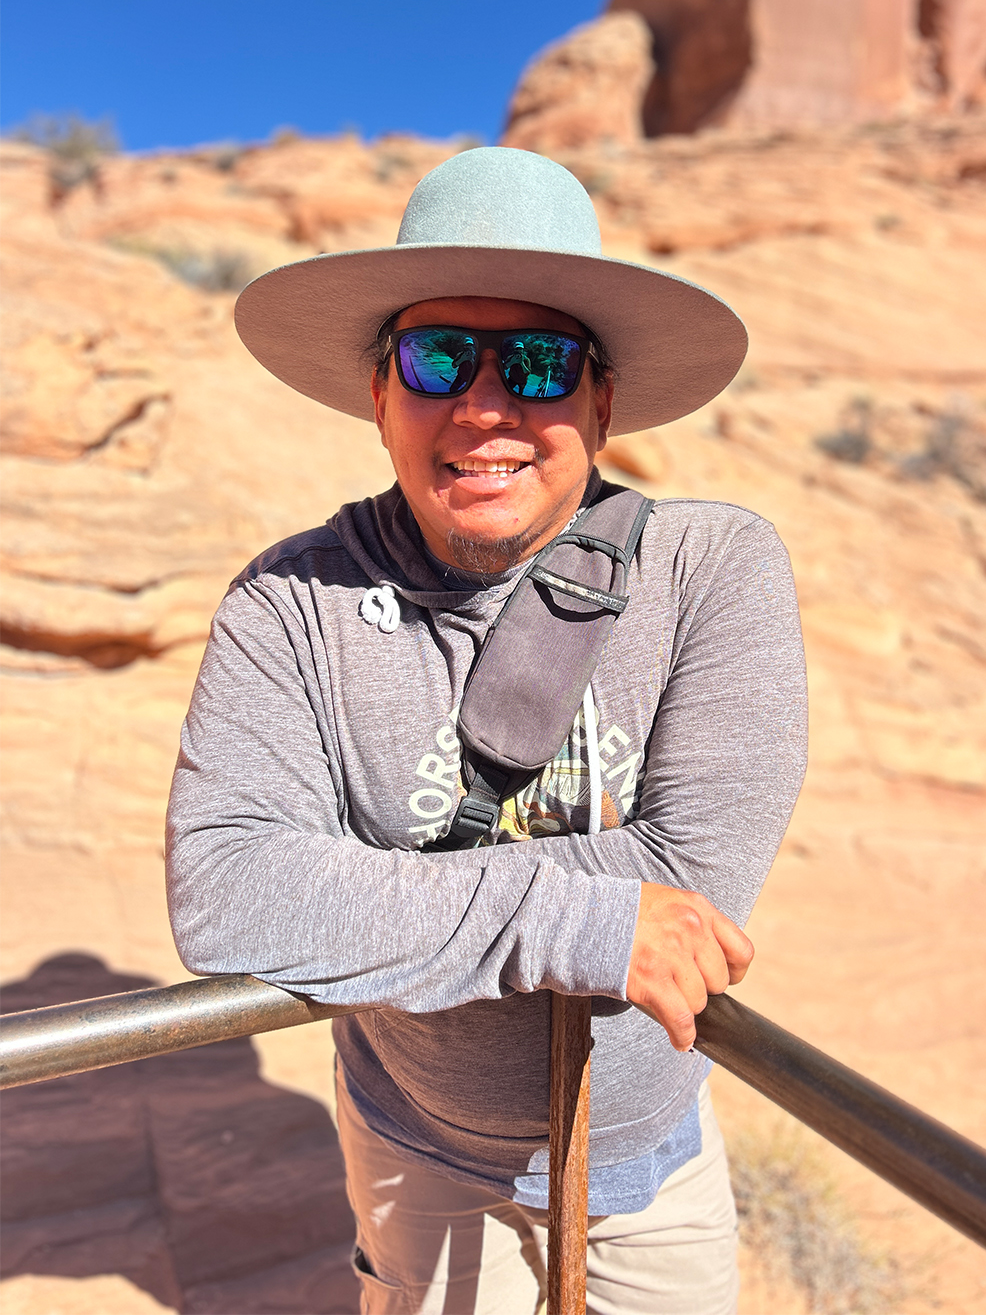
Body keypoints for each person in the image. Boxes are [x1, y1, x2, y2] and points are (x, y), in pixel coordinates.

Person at [165, 146, 808, 1315]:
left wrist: (368, 892)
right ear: (378, 395)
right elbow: (229, 887)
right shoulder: (287, 603)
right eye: (438, 356)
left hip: (647, 1157)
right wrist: (584, 913)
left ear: (602, 404)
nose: (484, 406)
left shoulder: (711, 569)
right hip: (413, 1146)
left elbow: (695, 875)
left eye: (542, 363)